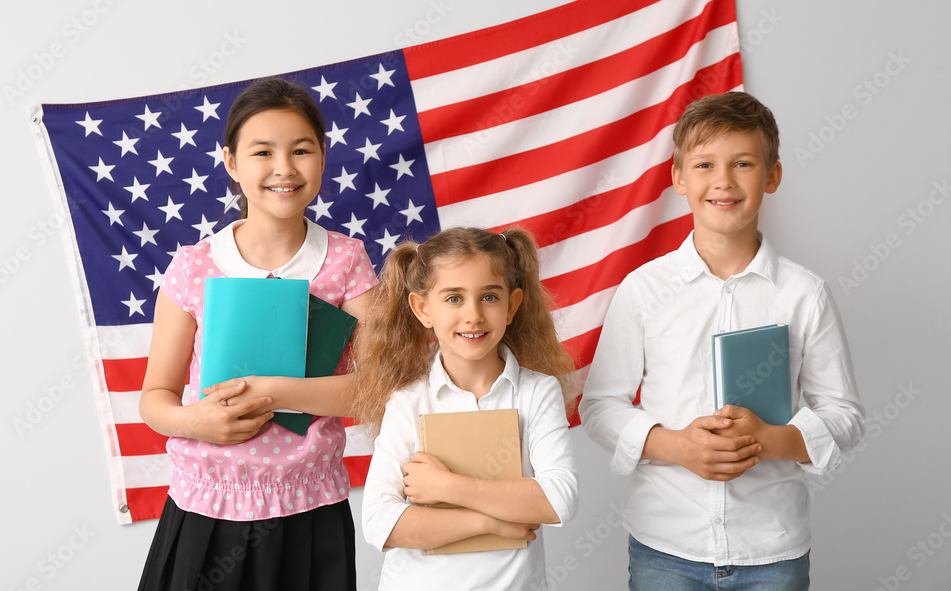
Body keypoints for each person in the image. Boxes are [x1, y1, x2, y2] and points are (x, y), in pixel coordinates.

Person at [579, 91, 864, 590]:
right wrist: (675, 446)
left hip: (771, 550)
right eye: (705, 164)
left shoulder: (804, 294)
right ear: (679, 177)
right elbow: (601, 405)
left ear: (772, 176)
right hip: (665, 546)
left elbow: (843, 413)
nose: (724, 181)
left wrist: (773, 439)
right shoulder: (644, 290)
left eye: (744, 163)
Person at [137, 77, 377, 591]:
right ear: (231, 163)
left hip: (309, 509)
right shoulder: (194, 267)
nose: (284, 168)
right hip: (206, 507)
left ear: (323, 156)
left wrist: (277, 390)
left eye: (301, 150)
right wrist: (195, 421)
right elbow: (154, 398)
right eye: (262, 151)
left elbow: (378, 388)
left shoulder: (347, 262)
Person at [356, 227, 579, 590]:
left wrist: (447, 486)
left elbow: (558, 501)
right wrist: (490, 523)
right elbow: (381, 523)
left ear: (512, 305)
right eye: (454, 299)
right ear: (423, 309)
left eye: (489, 297)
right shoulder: (409, 403)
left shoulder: (538, 393)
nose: (473, 315)